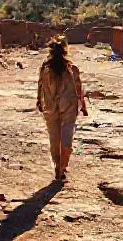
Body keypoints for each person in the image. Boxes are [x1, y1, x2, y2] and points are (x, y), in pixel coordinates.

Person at [36, 35, 88, 182]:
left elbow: (40, 85)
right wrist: (83, 106)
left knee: (54, 137)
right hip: (69, 106)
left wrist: (39, 101)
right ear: (65, 50)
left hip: (50, 105)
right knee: (66, 136)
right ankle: (62, 168)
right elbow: (79, 89)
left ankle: (57, 166)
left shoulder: (45, 68)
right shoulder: (72, 68)